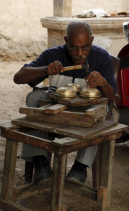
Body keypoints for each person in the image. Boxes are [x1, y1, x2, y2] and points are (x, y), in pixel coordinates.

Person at [13, 21, 117, 183]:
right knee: (33, 97)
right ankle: (40, 161)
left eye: (85, 47)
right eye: (74, 47)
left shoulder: (101, 57)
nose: (80, 53)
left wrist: (103, 82)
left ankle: (80, 167)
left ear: (92, 40)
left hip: (83, 115)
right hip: (54, 112)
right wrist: (45, 69)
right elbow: (18, 77)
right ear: (65, 40)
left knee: (101, 110)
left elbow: (112, 98)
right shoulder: (53, 55)